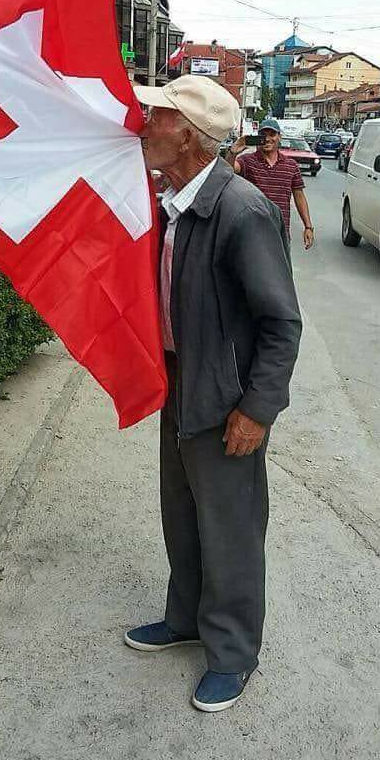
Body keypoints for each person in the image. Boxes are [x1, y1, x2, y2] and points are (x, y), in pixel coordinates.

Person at [125, 75, 302, 713]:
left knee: (229, 527)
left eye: (158, 116)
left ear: (192, 137)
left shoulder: (241, 210)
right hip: (181, 384)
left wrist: (257, 410)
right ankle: (186, 619)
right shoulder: (174, 198)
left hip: (227, 400)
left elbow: (281, 323)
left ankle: (231, 653)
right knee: (182, 512)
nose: (144, 124)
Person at [229, 118, 314, 250]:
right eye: (263, 135)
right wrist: (233, 152)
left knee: (282, 270)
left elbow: (299, 196)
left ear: (279, 137)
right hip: (251, 233)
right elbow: (228, 170)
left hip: (280, 233)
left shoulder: (291, 166)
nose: (267, 139)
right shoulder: (247, 161)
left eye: (272, 135)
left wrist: (308, 226)